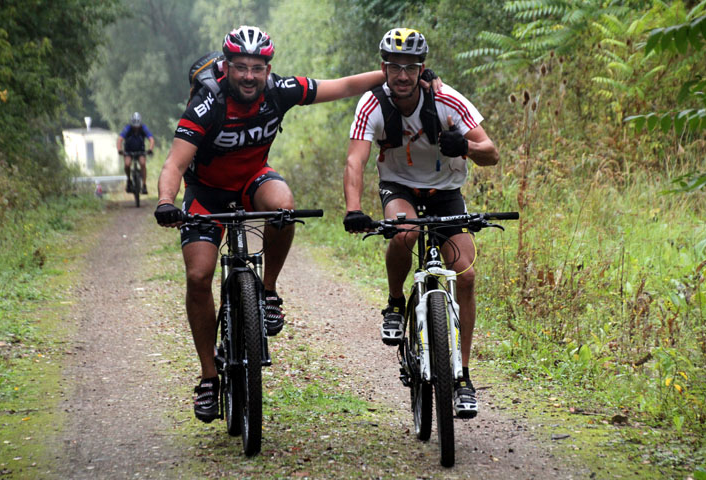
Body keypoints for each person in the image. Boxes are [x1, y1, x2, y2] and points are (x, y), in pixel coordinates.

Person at [153, 26, 438, 424]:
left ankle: (267, 292)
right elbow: (174, 164)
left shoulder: (280, 90)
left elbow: (341, 86)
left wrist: (398, 75)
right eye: (240, 68)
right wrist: (167, 202)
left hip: (254, 180)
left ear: (268, 68)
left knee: (284, 207)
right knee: (199, 276)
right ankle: (208, 376)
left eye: (257, 68)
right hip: (207, 192)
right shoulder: (207, 102)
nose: (249, 76)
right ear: (226, 66)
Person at [342, 28, 499, 419]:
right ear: (383, 68)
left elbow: (491, 153)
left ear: (421, 69)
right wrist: (353, 208)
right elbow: (355, 161)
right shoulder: (372, 104)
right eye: (394, 67)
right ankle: (396, 304)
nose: (402, 75)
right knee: (404, 231)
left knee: (465, 276)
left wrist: (464, 146)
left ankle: (462, 376)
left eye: (410, 68)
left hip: (446, 192)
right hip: (399, 188)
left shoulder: (447, 100)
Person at [117, 112, 155, 194]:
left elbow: (151, 139)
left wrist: (150, 149)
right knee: (127, 164)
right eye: (134, 127)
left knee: (142, 163)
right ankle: (129, 180)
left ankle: (144, 185)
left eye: (137, 127)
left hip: (140, 150)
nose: (136, 128)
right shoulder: (127, 128)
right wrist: (120, 150)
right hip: (129, 151)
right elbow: (120, 139)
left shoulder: (143, 128)